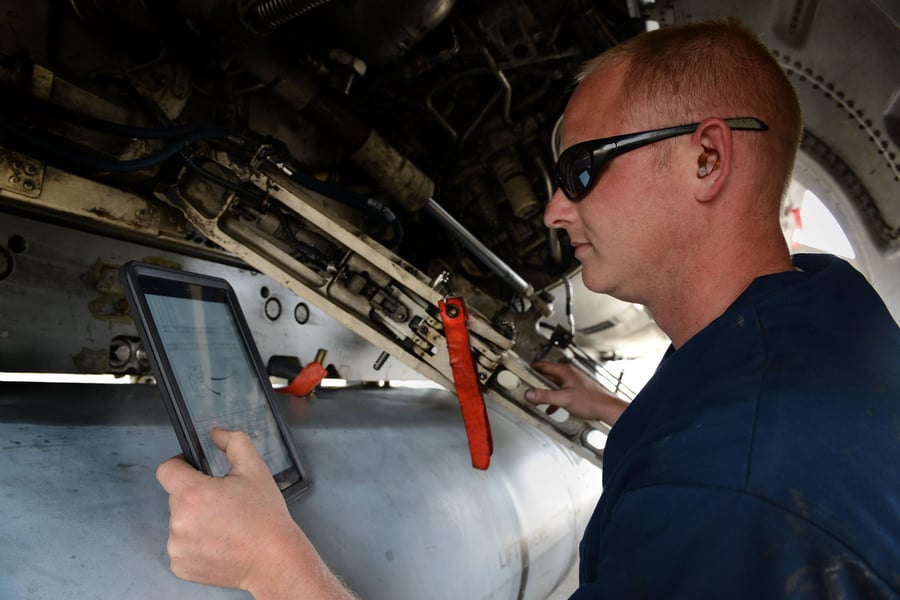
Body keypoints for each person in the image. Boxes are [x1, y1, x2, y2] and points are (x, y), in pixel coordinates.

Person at [156, 20, 900, 599]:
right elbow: (740, 408)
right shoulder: (825, 301)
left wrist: (270, 563)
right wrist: (615, 409)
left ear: (706, 160)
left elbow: (743, 477)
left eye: (582, 169)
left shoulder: (727, 506)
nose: (552, 210)